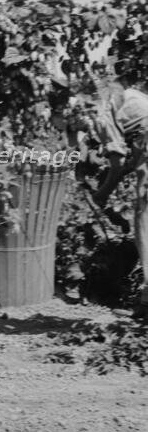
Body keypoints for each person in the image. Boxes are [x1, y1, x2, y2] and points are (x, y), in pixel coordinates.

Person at [92, 69, 148, 315]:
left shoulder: (101, 113)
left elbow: (116, 168)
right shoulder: (129, 96)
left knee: (144, 219)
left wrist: (101, 195)